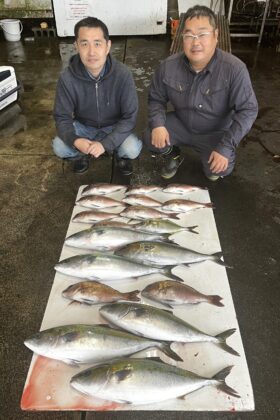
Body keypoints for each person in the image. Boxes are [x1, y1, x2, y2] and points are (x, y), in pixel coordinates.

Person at [144, 5, 258, 181]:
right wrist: (159, 125)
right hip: (181, 125)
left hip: (214, 131)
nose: (195, 42)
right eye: (189, 35)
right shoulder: (168, 66)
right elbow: (156, 98)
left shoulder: (235, 69)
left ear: (216, 35)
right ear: (182, 38)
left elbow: (248, 110)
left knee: (219, 171)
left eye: (202, 34)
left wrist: (226, 147)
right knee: (149, 135)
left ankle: (214, 155)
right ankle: (173, 154)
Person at [53, 17, 142, 174]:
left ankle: (120, 156)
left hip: (113, 126)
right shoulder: (67, 78)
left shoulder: (122, 74)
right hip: (84, 126)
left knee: (132, 149)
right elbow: (62, 117)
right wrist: (76, 140)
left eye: (97, 43)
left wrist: (106, 144)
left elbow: (130, 117)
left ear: (108, 46)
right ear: (76, 46)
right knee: (59, 146)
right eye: (84, 44)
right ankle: (81, 154)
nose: (91, 52)